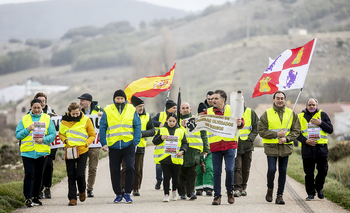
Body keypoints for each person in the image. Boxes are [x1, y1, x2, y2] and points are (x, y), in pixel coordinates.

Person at [258, 91, 300, 205]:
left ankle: (279, 195)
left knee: (283, 171)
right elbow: (261, 131)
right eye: (278, 98)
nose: (280, 100)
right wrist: (276, 135)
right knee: (272, 169)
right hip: (271, 146)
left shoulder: (292, 114)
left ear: (284, 100)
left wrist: (287, 139)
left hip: (285, 147)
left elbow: (296, 131)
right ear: (273, 99)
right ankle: (270, 189)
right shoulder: (267, 114)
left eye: (282, 98)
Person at [100, 89, 141, 204]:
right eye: (117, 98)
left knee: (130, 168)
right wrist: (103, 143)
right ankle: (118, 194)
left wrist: (135, 141)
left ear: (125, 99)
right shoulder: (107, 110)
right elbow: (102, 126)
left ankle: (127, 193)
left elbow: (137, 125)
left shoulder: (131, 109)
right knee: (114, 170)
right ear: (114, 99)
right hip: (113, 145)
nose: (120, 100)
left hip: (128, 144)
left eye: (122, 98)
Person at [204, 90, 244, 205]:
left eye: (216, 98)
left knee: (230, 170)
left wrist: (239, 123)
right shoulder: (208, 111)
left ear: (223, 100)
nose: (213, 100)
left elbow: (242, 123)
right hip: (215, 146)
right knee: (217, 172)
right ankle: (217, 196)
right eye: (212, 99)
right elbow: (198, 121)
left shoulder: (232, 109)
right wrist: (186, 123)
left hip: (230, 144)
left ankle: (230, 192)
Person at [15, 98, 56, 207]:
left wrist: (44, 140)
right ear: (31, 107)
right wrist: (28, 129)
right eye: (34, 108)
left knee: (39, 175)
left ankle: (36, 197)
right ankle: (28, 197)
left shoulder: (47, 118)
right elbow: (18, 135)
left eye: (38, 107)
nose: (36, 110)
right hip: (27, 152)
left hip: (42, 152)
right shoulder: (25, 119)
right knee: (29, 174)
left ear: (42, 107)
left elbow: (53, 135)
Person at [59, 102, 96, 206]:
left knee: (80, 174)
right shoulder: (64, 121)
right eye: (73, 114)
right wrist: (65, 141)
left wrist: (86, 143)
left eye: (77, 113)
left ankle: (82, 190)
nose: (75, 116)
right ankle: (72, 198)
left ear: (80, 111)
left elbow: (92, 135)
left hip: (82, 151)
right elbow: (61, 134)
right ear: (69, 112)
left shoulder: (86, 120)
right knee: (71, 175)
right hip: (70, 150)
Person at [297, 98, 333, 201]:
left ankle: (319, 187)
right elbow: (296, 133)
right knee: (309, 173)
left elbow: (330, 130)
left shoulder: (323, 115)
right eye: (309, 105)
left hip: (321, 148)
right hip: (307, 148)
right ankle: (311, 193)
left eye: (313, 104)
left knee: (323, 170)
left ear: (316, 105)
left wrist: (321, 123)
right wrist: (305, 141)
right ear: (306, 105)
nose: (311, 106)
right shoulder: (300, 116)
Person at [121, 95, 155, 196]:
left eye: (142, 106)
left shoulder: (147, 116)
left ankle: (136, 188)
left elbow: (152, 131)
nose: (141, 108)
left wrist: (142, 134)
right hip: (127, 145)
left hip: (140, 146)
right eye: (139, 106)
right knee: (125, 167)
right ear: (133, 107)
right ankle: (123, 187)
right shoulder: (126, 115)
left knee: (138, 169)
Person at [152, 113, 188, 202]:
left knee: (176, 178)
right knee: (166, 178)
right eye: (170, 121)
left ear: (176, 121)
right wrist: (161, 138)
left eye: (173, 121)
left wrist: (182, 151)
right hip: (165, 158)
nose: (171, 123)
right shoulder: (162, 130)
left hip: (176, 157)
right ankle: (166, 194)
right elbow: (154, 141)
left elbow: (185, 143)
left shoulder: (180, 131)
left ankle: (174, 191)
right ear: (167, 121)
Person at [178, 102, 209, 200]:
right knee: (181, 172)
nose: (185, 109)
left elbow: (203, 134)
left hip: (194, 150)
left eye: (187, 108)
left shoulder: (197, 120)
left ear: (191, 109)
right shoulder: (175, 121)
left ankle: (191, 192)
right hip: (181, 150)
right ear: (180, 110)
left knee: (192, 172)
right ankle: (182, 192)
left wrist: (205, 149)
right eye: (183, 108)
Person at [77, 93, 104, 198]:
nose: (80, 102)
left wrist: (103, 115)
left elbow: (108, 118)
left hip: (95, 144)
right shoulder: (77, 111)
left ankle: (89, 189)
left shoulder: (98, 110)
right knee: (81, 168)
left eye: (82, 100)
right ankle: (81, 189)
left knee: (92, 168)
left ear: (89, 102)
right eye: (80, 100)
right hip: (82, 144)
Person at [32, 92, 57, 199]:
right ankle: (39, 190)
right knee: (38, 169)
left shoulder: (53, 114)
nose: (41, 103)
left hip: (50, 145)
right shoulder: (30, 115)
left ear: (45, 102)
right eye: (39, 101)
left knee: (48, 166)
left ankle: (47, 188)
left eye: (43, 101)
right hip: (35, 147)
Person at [233, 105, 259, 197]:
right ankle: (237, 188)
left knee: (246, 168)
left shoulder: (251, 112)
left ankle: (243, 187)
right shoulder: (231, 112)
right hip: (235, 145)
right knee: (237, 167)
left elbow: (256, 127)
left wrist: (250, 138)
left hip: (247, 145)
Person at [152, 99, 177, 190]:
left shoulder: (176, 115)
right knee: (159, 164)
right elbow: (152, 121)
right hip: (161, 143)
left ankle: (167, 181)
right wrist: (160, 124)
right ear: (168, 109)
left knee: (170, 163)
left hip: (172, 144)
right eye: (173, 108)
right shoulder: (160, 115)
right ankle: (159, 180)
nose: (175, 109)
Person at [195, 102, 213, 196]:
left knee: (209, 167)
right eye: (201, 114)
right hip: (198, 149)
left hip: (210, 149)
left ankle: (209, 187)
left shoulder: (211, 122)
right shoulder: (194, 122)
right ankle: (198, 188)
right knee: (198, 169)